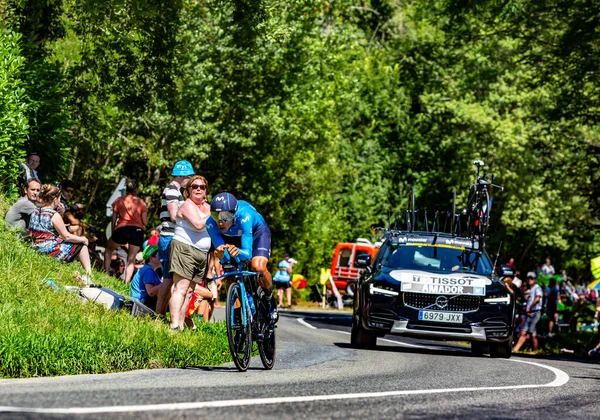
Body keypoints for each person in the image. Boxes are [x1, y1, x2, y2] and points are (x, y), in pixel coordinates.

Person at [207, 192, 277, 321]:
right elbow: (225, 260)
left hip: (256, 232)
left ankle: (269, 298)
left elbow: (247, 254)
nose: (220, 221)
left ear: (234, 213)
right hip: (233, 238)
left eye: (225, 216)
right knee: (230, 274)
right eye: (216, 215)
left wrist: (237, 251)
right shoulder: (211, 223)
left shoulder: (245, 216)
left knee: (257, 266)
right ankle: (238, 316)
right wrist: (221, 255)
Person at [168, 175, 213, 330]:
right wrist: (214, 213)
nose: (199, 189)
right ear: (188, 190)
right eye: (195, 186)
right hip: (185, 249)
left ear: (206, 191)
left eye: (202, 187)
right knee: (180, 288)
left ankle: (180, 325)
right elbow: (199, 224)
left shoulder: (207, 208)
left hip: (201, 254)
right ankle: (174, 325)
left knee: (189, 292)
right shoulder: (187, 204)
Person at [155, 160, 195, 316]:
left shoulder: (176, 191)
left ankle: (162, 314)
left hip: (172, 236)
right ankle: (159, 314)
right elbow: (173, 216)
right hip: (170, 237)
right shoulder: (172, 190)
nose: (190, 181)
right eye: (189, 177)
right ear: (182, 175)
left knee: (170, 278)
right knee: (169, 278)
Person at [29, 184, 92, 279]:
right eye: (59, 198)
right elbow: (66, 236)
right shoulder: (53, 215)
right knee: (81, 246)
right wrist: (83, 239)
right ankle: (88, 274)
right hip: (49, 251)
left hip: (35, 248)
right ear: (55, 199)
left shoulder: (35, 211)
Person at [103, 179, 148, 284]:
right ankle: (127, 282)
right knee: (131, 259)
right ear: (136, 189)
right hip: (137, 231)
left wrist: (114, 232)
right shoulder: (141, 202)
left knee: (108, 250)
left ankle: (105, 273)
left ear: (126, 189)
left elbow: (113, 219)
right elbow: (145, 222)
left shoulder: (119, 200)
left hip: (122, 229)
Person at [513, 272, 543, 352]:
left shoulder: (537, 288)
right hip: (530, 313)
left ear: (535, 279)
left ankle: (536, 350)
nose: (530, 280)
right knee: (525, 332)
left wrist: (530, 308)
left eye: (532, 278)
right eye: (528, 278)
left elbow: (537, 299)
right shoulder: (531, 289)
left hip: (535, 312)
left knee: (532, 334)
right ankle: (516, 349)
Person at [130, 245, 162, 311]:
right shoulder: (148, 270)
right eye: (160, 254)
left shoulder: (152, 271)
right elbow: (151, 292)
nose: (163, 256)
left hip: (141, 301)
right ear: (151, 259)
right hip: (140, 303)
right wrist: (166, 284)